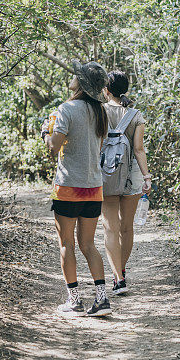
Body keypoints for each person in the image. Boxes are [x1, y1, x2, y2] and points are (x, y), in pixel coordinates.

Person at [41, 61, 112, 317]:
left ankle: (74, 301)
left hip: (69, 186)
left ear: (81, 84)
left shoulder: (66, 109)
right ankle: (102, 299)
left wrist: (45, 132)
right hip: (94, 188)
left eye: (76, 76)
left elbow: (53, 147)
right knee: (88, 245)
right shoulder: (100, 112)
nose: (71, 78)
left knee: (66, 245)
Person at [101, 70, 151, 295]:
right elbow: (139, 149)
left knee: (110, 228)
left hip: (107, 173)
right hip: (132, 175)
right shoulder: (136, 115)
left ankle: (118, 278)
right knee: (126, 228)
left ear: (106, 90)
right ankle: (121, 270)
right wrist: (147, 177)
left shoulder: (99, 112)